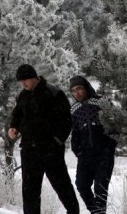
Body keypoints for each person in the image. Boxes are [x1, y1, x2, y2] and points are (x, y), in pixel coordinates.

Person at [8, 64, 79, 214]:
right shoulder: (23, 95)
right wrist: (13, 127)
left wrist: (57, 141)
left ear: (34, 77)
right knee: (30, 192)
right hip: (28, 149)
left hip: (50, 149)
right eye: (21, 82)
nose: (23, 84)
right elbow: (17, 114)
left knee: (62, 186)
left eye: (25, 80)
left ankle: (74, 212)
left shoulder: (53, 92)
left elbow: (66, 120)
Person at [69, 75, 117, 214]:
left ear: (86, 88)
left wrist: (109, 147)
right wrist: (77, 150)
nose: (77, 93)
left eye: (79, 89)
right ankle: (96, 212)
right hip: (85, 155)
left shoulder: (102, 102)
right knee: (81, 185)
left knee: (100, 189)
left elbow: (114, 125)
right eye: (73, 90)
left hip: (104, 154)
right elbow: (75, 132)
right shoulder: (74, 109)